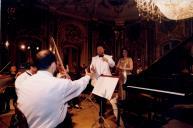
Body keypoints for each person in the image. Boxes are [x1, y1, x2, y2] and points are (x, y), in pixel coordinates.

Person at [16, 50, 92, 128]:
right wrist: (88, 76)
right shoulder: (59, 84)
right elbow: (79, 85)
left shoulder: (24, 82)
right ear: (53, 65)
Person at [90, 45, 115, 116]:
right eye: (98, 49)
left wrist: (107, 60)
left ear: (103, 50)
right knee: (97, 95)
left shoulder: (108, 57)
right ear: (97, 51)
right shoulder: (94, 58)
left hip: (106, 79)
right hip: (97, 79)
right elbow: (91, 66)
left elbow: (113, 65)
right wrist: (92, 68)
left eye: (101, 49)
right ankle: (102, 107)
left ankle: (101, 111)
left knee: (103, 96)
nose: (99, 50)